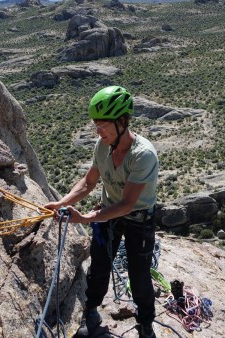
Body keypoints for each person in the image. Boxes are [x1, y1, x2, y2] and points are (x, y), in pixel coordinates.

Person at [44, 86, 159, 338]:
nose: (98, 131)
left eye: (103, 125)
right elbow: (88, 182)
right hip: (108, 213)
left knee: (139, 275)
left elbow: (127, 204)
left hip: (138, 218)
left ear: (122, 122)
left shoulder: (143, 155)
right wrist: (62, 203)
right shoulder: (102, 146)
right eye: (96, 124)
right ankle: (92, 311)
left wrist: (85, 218)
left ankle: (146, 323)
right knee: (99, 266)